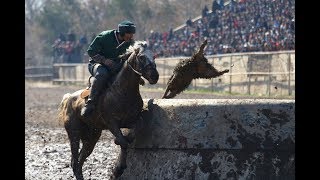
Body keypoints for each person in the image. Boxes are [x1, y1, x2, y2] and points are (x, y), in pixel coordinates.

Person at [80, 20, 136, 118]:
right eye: (129, 34)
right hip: (97, 64)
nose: (131, 36)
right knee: (102, 74)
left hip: (116, 65)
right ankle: (90, 103)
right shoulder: (105, 36)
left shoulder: (129, 42)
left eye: (132, 34)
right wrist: (104, 60)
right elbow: (91, 51)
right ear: (122, 32)